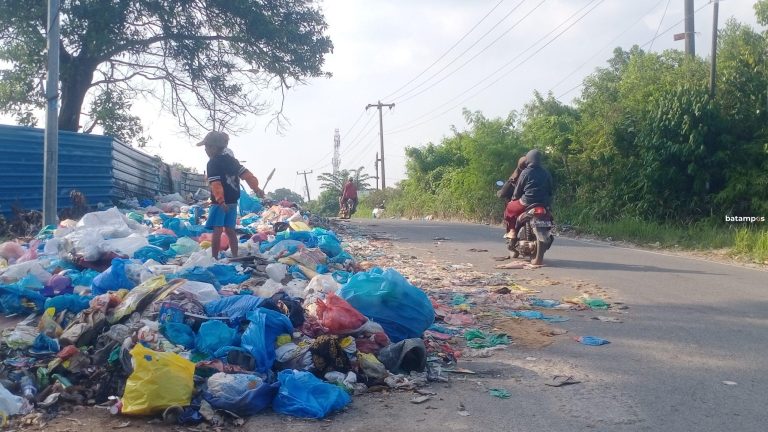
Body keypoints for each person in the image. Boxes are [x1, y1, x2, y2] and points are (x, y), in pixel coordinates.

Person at [198, 131, 264, 259]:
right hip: (233, 201)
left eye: (206, 147)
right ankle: (235, 255)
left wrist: (221, 201)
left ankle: (214, 258)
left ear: (213, 148)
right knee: (230, 230)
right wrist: (257, 189)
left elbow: (216, 184)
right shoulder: (232, 161)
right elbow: (248, 176)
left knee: (217, 230)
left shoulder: (212, 163)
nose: (205, 150)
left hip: (220, 203)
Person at [504, 149, 553, 240]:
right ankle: (548, 232)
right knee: (550, 216)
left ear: (529, 159)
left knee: (509, 208)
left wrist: (514, 198)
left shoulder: (526, 172)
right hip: (543, 203)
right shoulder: (546, 172)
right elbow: (550, 189)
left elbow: (518, 189)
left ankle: (512, 231)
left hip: (527, 201)